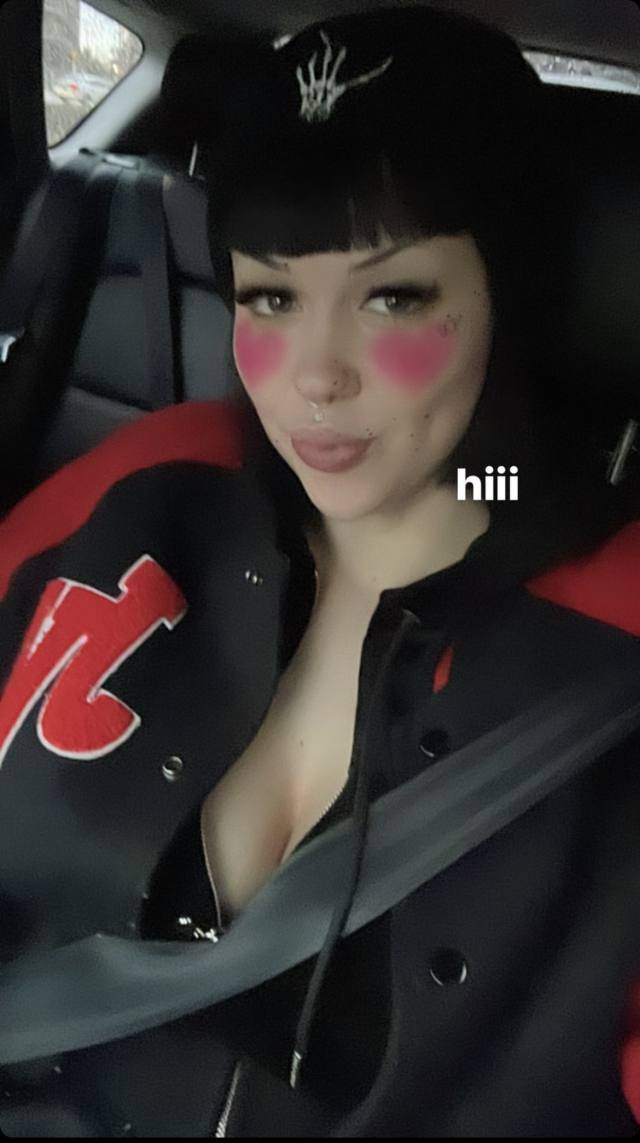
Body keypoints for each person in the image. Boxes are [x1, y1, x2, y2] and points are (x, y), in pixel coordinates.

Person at [0, 5, 639, 1137]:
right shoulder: (152, 478)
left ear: (509, 291)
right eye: (272, 297)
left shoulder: (615, 622)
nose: (314, 378)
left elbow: (494, 491)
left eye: (394, 297)